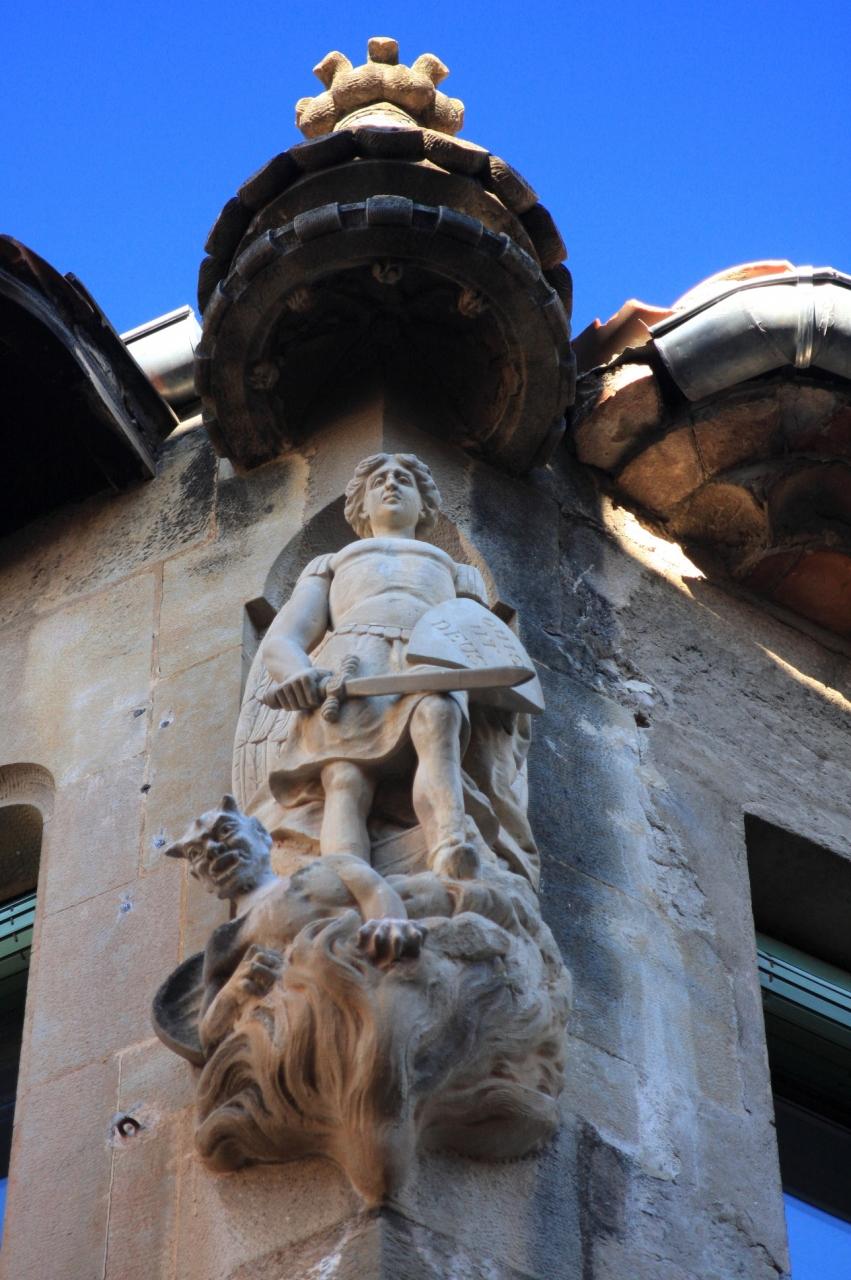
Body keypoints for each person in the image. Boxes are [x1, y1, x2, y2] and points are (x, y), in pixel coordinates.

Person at [259, 452, 490, 880]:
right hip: (352, 665)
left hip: (430, 658)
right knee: (344, 777)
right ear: (361, 506)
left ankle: (449, 847)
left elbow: (484, 642)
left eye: (404, 479)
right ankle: (345, 883)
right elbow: (283, 639)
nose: (391, 484)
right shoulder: (330, 565)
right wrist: (297, 675)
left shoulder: (458, 572)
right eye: (378, 481)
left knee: (438, 720)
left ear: (425, 506)